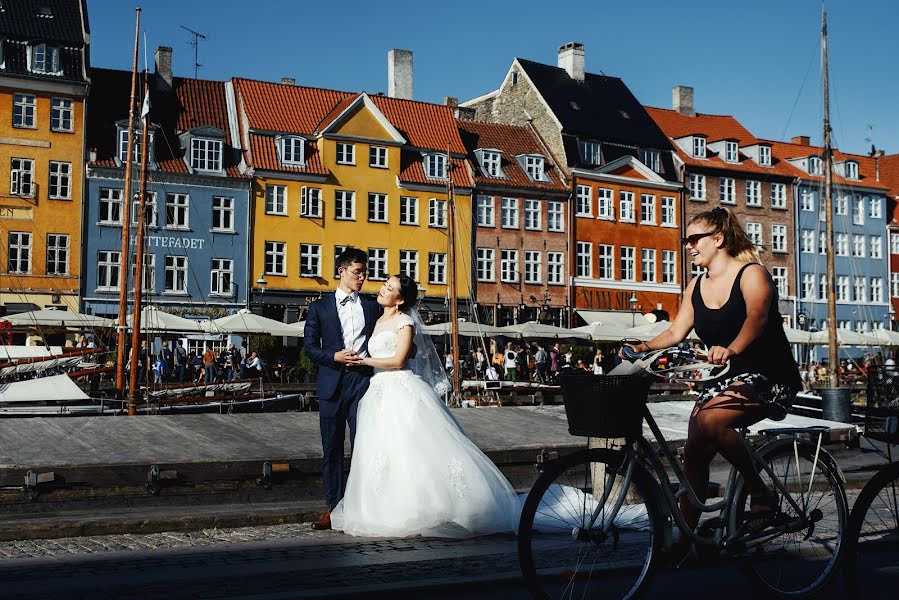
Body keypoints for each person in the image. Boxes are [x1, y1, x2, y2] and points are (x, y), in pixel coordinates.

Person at [625, 206, 801, 560]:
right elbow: (676, 331)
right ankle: (686, 543)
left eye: (694, 239)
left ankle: (760, 491)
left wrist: (731, 349)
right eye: (686, 240)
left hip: (769, 377)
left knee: (710, 420)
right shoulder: (696, 285)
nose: (688, 246)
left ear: (717, 239)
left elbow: (758, 319)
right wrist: (640, 347)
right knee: (694, 451)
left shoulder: (753, 275)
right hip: (723, 379)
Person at [330, 274, 519, 537]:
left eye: (390, 288)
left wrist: (364, 362)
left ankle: (432, 506)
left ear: (401, 299)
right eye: (385, 284)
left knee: (413, 448)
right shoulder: (378, 320)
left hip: (399, 387)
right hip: (378, 392)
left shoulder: (404, 323)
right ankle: (384, 508)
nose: (383, 289)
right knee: (382, 451)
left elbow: (398, 360)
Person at [302, 248, 381, 531]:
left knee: (364, 448)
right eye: (357, 272)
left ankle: (365, 507)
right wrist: (333, 356)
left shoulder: (372, 306)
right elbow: (309, 348)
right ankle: (334, 510)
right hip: (331, 383)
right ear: (342, 272)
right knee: (331, 450)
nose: (362, 277)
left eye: (365, 273)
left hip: (362, 381)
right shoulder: (319, 307)